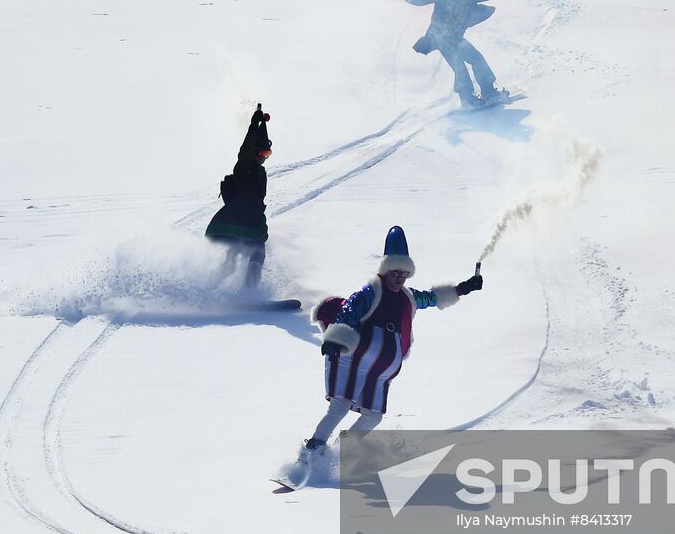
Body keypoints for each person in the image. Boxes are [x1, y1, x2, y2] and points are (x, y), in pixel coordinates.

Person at [301, 226, 483, 457]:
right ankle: (313, 451)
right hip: (353, 358)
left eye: (404, 274)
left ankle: (338, 454)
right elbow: (349, 311)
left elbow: (430, 298)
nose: (399, 278)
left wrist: (463, 288)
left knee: (373, 415)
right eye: (395, 272)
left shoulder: (407, 297)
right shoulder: (370, 291)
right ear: (385, 271)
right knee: (341, 405)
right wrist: (335, 340)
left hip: (378, 371)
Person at [398, 0, 503, 108]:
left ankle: (489, 91)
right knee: (458, 65)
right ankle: (467, 100)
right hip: (439, 38)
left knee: (477, 58)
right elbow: (420, 0)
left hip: (456, 38)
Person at [204, 104, 270, 291]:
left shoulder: (259, 170)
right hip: (242, 222)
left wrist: (259, 127)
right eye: (263, 153)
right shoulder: (245, 167)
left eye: (268, 154)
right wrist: (253, 128)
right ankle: (249, 291)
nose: (265, 157)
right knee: (258, 250)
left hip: (235, 223)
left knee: (234, 258)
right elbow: (245, 152)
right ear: (256, 152)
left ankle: (207, 288)